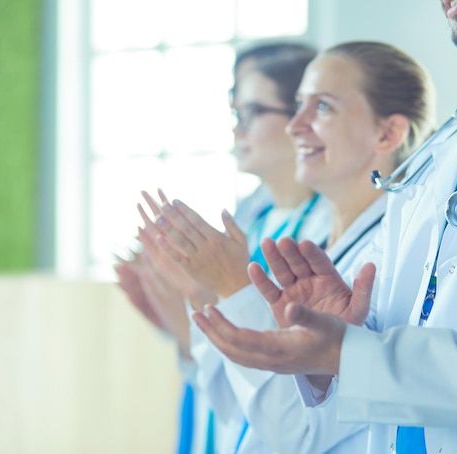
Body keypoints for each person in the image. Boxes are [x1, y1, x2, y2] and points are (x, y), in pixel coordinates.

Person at [192, 2, 457, 453]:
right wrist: (339, 335)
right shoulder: (453, 140)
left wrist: (352, 355)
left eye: (322, 107)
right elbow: (377, 360)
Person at [153, 41, 435, 453]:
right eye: (299, 104)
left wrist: (235, 289)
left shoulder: (397, 258)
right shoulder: (318, 243)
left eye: (322, 107)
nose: (295, 126)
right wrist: (200, 300)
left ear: (387, 133)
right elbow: (241, 409)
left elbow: (300, 434)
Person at [114, 42, 328, 454]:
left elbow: (301, 392)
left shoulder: (323, 229)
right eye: (235, 113)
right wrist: (181, 323)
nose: (237, 129)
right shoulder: (252, 217)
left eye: (251, 112)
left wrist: (201, 300)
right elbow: (224, 381)